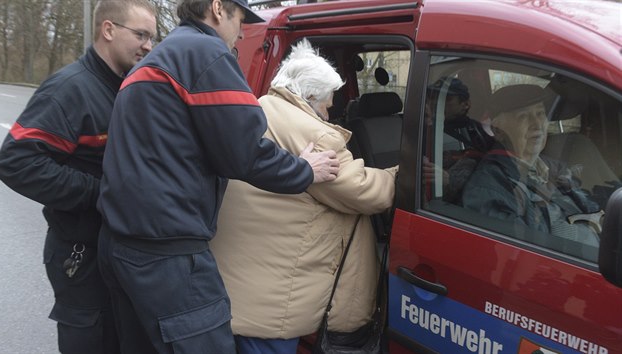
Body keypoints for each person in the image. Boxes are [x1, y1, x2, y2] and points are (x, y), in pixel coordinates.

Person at [96, 2, 340, 354]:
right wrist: (305, 170)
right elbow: (242, 152)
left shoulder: (162, 55)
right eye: (241, 19)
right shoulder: (205, 53)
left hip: (122, 246)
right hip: (168, 256)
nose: (242, 32)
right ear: (217, 8)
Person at [209, 39, 398, 354]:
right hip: (272, 304)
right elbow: (363, 192)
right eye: (327, 103)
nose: (329, 111)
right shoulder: (313, 132)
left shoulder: (261, 107)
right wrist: (402, 176)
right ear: (309, 95)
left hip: (242, 285)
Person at [0, 1, 157, 353]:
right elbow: (16, 162)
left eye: (152, 38)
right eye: (141, 35)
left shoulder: (126, 89)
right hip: (81, 258)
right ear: (109, 29)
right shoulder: (71, 88)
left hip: (118, 256)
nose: (148, 45)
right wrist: (101, 194)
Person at [462, 84, 602, 246]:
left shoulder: (553, 168)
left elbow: (591, 208)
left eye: (540, 114)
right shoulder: (488, 187)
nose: (537, 124)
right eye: (523, 117)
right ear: (498, 131)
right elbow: (526, 252)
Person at [422, 77, 494, 202]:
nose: (436, 102)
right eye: (433, 97)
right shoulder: (424, 131)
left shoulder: (478, 130)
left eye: (446, 98)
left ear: (465, 104)